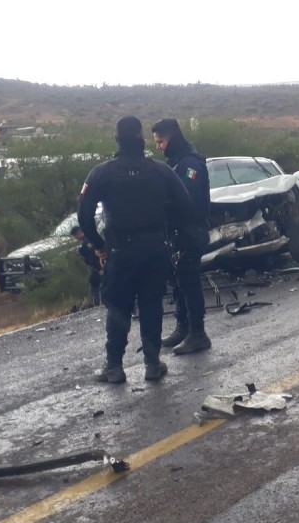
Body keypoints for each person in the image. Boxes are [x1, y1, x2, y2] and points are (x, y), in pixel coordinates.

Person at [77, 116, 197, 384]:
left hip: (120, 251)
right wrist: (167, 231)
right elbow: (186, 206)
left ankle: (115, 367)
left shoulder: (101, 173)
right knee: (151, 305)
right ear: (141, 139)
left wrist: (99, 245)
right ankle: (152, 364)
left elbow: (84, 215)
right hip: (155, 250)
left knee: (118, 307)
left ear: (117, 139)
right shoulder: (160, 171)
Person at [151, 118, 212, 355]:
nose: (159, 146)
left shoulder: (191, 163)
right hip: (177, 233)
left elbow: (186, 198)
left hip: (191, 232)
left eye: (161, 141)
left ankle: (198, 333)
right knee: (178, 283)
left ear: (172, 138)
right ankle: (183, 326)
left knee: (189, 282)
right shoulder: (176, 162)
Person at [70, 225, 102, 306]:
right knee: (95, 282)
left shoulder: (87, 241)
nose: (75, 238)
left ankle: (98, 302)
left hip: (98, 265)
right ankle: (98, 301)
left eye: (75, 236)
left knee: (96, 283)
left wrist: (99, 267)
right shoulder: (87, 240)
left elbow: (93, 254)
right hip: (96, 266)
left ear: (79, 233)